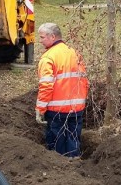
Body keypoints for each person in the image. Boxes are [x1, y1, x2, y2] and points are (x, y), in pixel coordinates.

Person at [35, 23, 88, 157]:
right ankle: (74, 163)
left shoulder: (48, 57)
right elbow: (84, 81)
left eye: (42, 37)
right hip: (76, 108)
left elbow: (46, 86)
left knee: (56, 143)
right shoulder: (74, 53)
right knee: (73, 138)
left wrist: (40, 109)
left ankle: (59, 169)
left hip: (56, 110)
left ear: (52, 36)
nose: (40, 41)